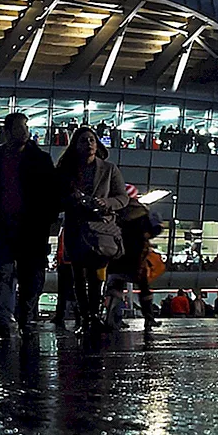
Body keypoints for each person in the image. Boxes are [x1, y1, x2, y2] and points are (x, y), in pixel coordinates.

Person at [0, 112, 59, 338]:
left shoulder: (39, 159)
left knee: (31, 276)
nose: (24, 132)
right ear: (7, 132)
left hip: (31, 229)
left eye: (25, 127)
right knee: (4, 273)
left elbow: (51, 194)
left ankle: (24, 316)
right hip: (3, 227)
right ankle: (5, 319)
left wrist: (47, 220)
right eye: (20, 128)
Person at [54, 125, 129, 335]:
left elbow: (123, 198)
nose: (88, 143)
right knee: (78, 274)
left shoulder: (109, 169)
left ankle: (94, 315)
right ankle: (85, 317)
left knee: (96, 274)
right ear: (75, 146)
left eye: (92, 140)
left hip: (99, 227)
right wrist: (71, 199)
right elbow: (56, 199)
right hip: (76, 227)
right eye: (83, 140)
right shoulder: (66, 171)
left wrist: (105, 203)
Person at [113, 192, 164, 331]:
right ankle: (148, 319)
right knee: (144, 287)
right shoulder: (142, 213)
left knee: (116, 286)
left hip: (118, 254)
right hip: (137, 255)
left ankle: (112, 318)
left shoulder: (115, 212)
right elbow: (154, 230)